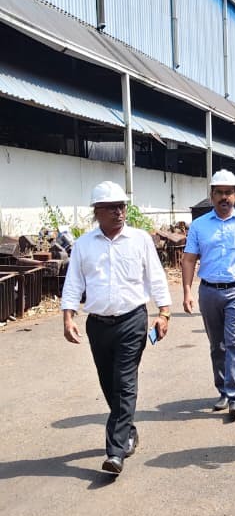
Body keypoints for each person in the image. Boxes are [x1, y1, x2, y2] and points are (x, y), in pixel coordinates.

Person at [61, 181, 172, 474]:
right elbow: (74, 283)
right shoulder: (84, 245)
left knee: (124, 382)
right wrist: (68, 317)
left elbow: (156, 277)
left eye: (121, 207)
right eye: (111, 208)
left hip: (132, 321)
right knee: (109, 384)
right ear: (96, 212)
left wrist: (164, 313)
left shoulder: (139, 240)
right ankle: (128, 430)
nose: (118, 213)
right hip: (98, 325)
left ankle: (115, 451)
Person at [181, 169, 235, 418]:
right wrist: (186, 291)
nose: (224, 197)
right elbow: (189, 260)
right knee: (217, 345)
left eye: (228, 193)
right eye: (219, 192)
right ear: (212, 195)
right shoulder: (199, 226)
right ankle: (224, 391)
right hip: (209, 291)